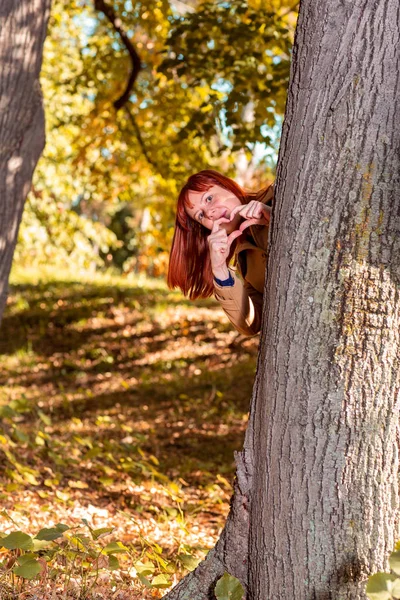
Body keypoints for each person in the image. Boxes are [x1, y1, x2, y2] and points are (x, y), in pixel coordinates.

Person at [167, 169, 274, 336]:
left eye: (209, 198)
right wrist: (219, 270)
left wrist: (275, 218)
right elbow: (252, 323)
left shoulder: (277, 195)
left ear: (227, 186)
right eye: (201, 215)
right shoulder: (244, 259)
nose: (209, 213)